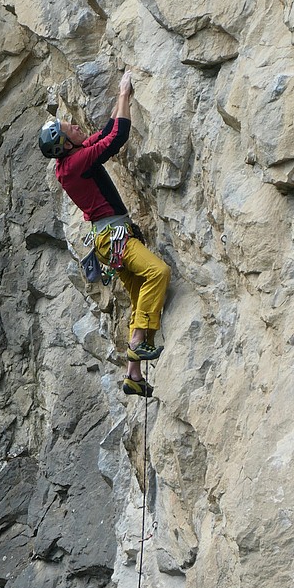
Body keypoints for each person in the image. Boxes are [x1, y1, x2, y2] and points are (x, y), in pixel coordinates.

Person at [38, 70, 170, 397]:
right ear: (66, 144)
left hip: (106, 242)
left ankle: (133, 375)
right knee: (158, 273)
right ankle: (140, 348)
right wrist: (124, 92)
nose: (76, 126)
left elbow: (104, 134)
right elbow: (118, 137)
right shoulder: (78, 162)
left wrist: (117, 105)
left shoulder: (70, 163)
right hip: (115, 238)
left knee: (140, 294)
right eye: (71, 128)